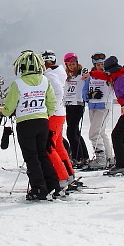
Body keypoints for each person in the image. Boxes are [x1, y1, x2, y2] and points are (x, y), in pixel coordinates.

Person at [0, 50, 60, 200]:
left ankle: (39, 188)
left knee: (31, 157)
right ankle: (53, 185)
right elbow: (52, 102)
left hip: (25, 123)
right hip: (42, 121)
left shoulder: (18, 84)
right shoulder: (45, 81)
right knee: (42, 154)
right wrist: (46, 114)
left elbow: (10, 105)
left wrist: (3, 113)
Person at [41, 50, 78, 191]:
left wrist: (49, 109)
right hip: (60, 113)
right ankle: (68, 174)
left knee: (49, 146)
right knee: (57, 145)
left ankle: (61, 177)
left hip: (54, 114)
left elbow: (57, 92)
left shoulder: (50, 75)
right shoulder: (60, 72)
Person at [84, 53, 114, 169]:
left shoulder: (108, 74)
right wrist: (88, 96)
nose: (100, 66)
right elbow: (85, 89)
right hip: (93, 106)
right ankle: (109, 157)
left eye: (102, 64)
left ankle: (101, 157)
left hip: (103, 106)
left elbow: (113, 86)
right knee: (101, 132)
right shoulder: (91, 76)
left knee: (94, 133)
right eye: (98, 64)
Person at [62, 53, 89, 165]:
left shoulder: (81, 72)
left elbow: (88, 76)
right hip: (68, 104)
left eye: (73, 64)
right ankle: (83, 156)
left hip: (78, 104)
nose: (72, 66)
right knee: (75, 131)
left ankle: (77, 158)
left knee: (71, 132)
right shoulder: (67, 74)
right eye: (69, 64)